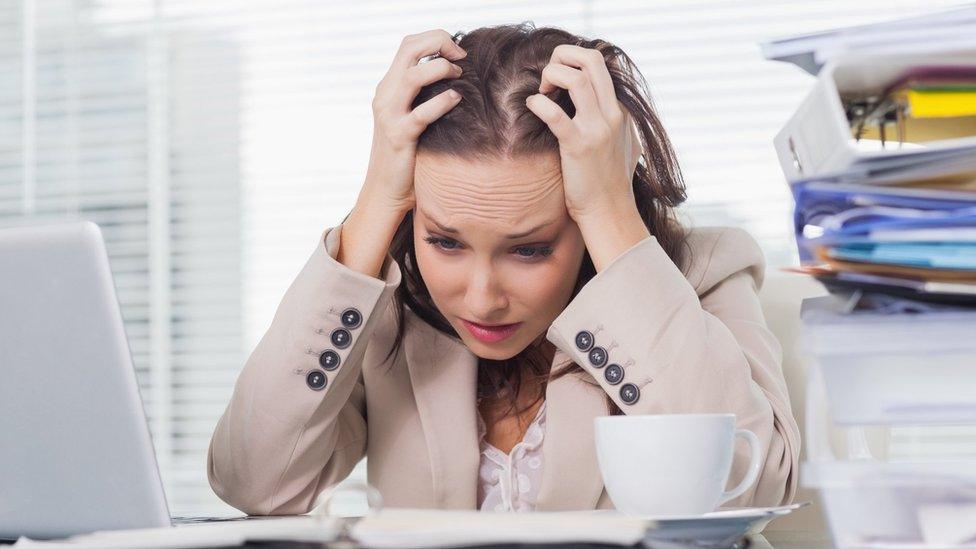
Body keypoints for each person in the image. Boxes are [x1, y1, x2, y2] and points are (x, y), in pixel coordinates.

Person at [207, 22, 800, 515]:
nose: (482, 298)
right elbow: (254, 481)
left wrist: (610, 212)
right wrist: (376, 202)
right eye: (445, 242)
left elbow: (752, 489)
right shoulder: (389, 311)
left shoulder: (708, 273)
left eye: (529, 249)